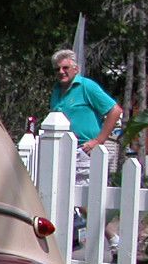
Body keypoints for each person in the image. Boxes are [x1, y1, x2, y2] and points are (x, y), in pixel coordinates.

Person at [50, 49, 123, 183]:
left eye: (65, 67)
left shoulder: (86, 86)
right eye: (57, 69)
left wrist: (98, 140)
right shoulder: (56, 90)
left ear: (76, 69)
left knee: (84, 199)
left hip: (84, 151)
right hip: (61, 151)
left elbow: (115, 111)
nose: (61, 72)